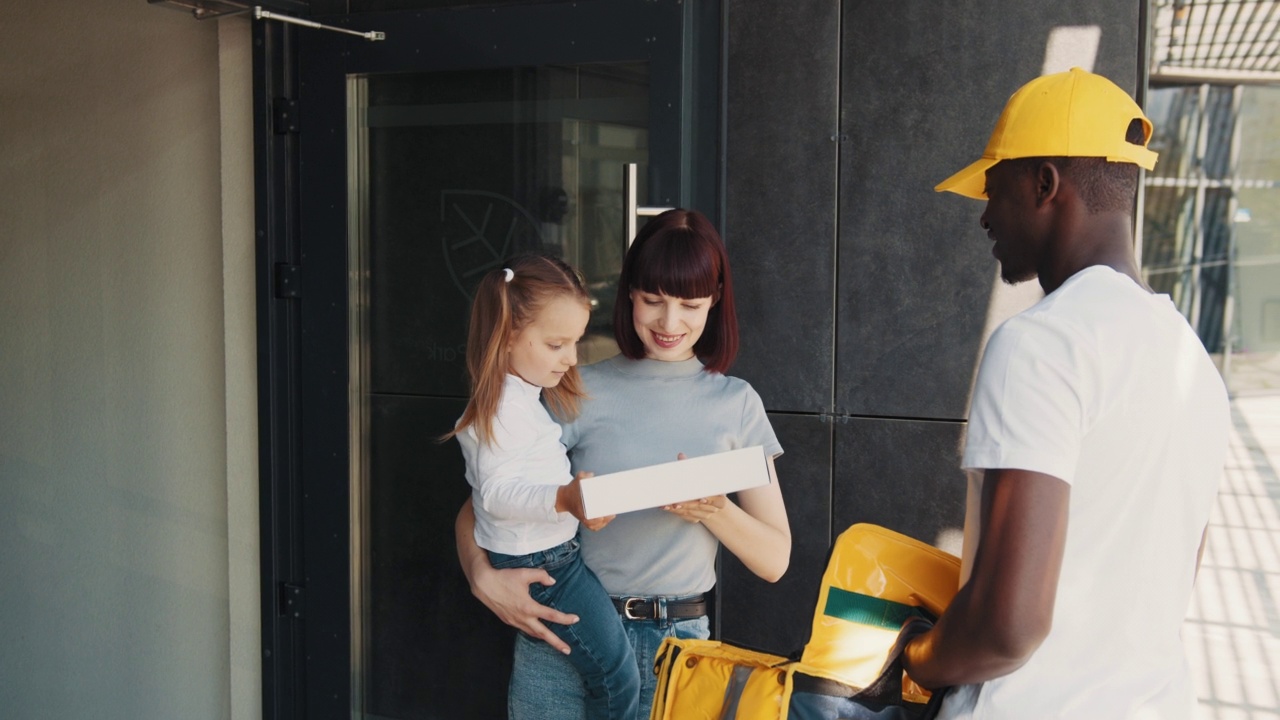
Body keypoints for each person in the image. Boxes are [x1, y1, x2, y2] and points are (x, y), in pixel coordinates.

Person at [900, 68, 1231, 719]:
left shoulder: (1042, 345)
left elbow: (1007, 627)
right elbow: (1167, 581)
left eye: (993, 189)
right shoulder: (1195, 366)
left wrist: (913, 660)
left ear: (1044, 183)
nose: (986, 217)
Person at [455, 208, 791, 718]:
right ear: (629, 291)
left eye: (690, 305)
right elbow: (485, 501)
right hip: (567, 629)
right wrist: (482, 577)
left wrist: (713, 509)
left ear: (716, 301)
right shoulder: (574, 386)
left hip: (678, 651)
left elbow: (775, 560)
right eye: (653, 300)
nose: (669, 322)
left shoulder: (737, 404)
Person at [444, 254, 640, 720]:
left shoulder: (518, 398)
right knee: (616, 675)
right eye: (556, 344)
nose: (572, 358)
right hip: (545, 565)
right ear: (509, 335)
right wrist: (564, 498)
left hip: (550, 556)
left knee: (611, 672)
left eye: (575, 341)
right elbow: (494, 495)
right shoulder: (503, 410)